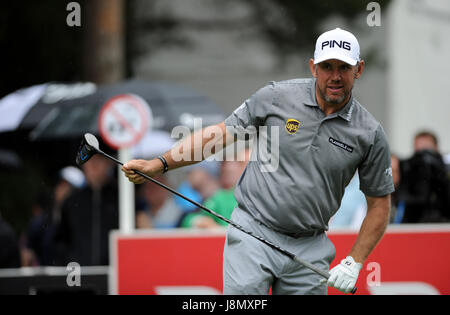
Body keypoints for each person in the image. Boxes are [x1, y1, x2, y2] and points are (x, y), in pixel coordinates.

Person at [122, 28, 394, 295]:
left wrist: (354, 261)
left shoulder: (369, 133)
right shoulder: (275, 97)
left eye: (344, 68)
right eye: (327, 66)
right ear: (313, 67)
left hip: (311, 245)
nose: (335, 76)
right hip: (254, 231)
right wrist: (159, 164)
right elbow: (220, 136)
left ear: (358, 69)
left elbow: (379, 204)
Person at [55, 155, 118, 266]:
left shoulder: (122, 199)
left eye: (98, 160)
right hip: (79, 275)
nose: (93, 165)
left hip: (114, 272)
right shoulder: (71, 201)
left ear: (109, 163)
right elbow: (61, 240)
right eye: (89, 160)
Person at [180, 150, 250, 229]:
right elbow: (190, 220)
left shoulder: (262, 197)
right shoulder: (222, 197)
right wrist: (200, 221)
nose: (229, 168)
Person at [399, 131, 450, 223]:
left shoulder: (445, 168)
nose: (424, 156)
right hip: (414, 221)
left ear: (436, 148)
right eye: (420, 151)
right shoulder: (407, 168)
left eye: (427, 149)